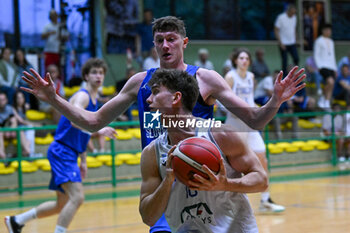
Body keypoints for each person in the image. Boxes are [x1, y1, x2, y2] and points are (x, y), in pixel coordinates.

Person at [21, 16, 305, 233]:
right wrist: (54, 98)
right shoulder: (140, 82)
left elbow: (255, 119)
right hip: (164, 183)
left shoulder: (206, 78)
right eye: (159, 40)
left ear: (184, 43)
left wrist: (276, 100)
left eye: (171, 38)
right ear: (154, 44)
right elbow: (93, 122)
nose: (165, 45)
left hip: (206, 184)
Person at [139, 68, 267, 232]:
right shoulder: (152, 153)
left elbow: (261, 181)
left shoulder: (221, 135)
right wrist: (167, 181)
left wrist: (225, 184)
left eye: (155, 92)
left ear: (176, 97)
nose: (148, 100)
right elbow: (148, 217)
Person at [5, 58, 116, 233]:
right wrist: (100, 130)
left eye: (101, 73)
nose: (98, 76)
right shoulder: (83, 96)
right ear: (86, 76)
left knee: (61, 204)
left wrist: (84, 160)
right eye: (94, 72)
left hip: (69, 152)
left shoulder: (94, 100)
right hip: (63, 151)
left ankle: (16, 221)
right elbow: (76, 121)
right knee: (77, 197)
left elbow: (82, 132)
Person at [224, 48, 285, 213]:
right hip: (235, 124)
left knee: (262, 156)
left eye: (246, 58)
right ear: (236, 60)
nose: (244, 60)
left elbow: (249, 99)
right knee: (233, 167)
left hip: (249, 125)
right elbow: (222, 102)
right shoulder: (230, 77)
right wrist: (240, 110)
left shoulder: (251, 77)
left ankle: (265, 200)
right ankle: (229, 204)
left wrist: (258, 111)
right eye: (241, 58)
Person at [314, 23, 337, 110]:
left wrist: (335, 68)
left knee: (332, 84)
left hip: (331, 66)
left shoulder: (331, 42)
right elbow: (316, 54)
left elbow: (332, 55)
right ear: (323, 31)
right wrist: (319, 66)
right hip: (323, 65)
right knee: (330, 82)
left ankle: (326, 101)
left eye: (329, 30)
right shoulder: (319, 41)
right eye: (326, 30)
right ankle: (323, 99)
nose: (328, 32)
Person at [274, 3, 299, 75]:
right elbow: (276, 30)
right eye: (292, 13)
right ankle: (284, 76)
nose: (293, 14)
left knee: (296, 58)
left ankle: (292, 72)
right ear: (288, 11)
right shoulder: (281, 17)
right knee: (284, 61)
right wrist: (280, 43)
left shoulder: (294, 18)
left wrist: (296, 39)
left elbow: (294, 29)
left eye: (294, 13)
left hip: (292, 42)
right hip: (283, 43)